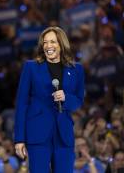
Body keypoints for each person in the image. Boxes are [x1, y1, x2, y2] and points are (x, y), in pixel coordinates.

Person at [14, 26, 85, 173]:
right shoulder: (31, 67)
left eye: (52, 42)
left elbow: (78, 100)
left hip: (64, 134)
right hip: (38, 132)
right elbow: (22, 104)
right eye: (45, 42)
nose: (48, 46)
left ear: (61, 44)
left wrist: (66, 98)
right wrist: (19, 139)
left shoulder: (76, 69)